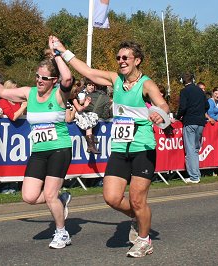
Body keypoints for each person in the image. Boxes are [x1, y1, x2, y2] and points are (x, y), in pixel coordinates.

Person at [52, 36, 169, 257]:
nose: (121, 61)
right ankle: (137, 217)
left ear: (137, 60)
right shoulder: (115, 79)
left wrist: (159, 112)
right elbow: (86, 71)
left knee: (137, 198)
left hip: (142, 147)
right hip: (119, 148)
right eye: (119, 57)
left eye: (126, 57)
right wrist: (62, 50)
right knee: (112, 197)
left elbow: (163, 104)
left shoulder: (146, 84)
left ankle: (145, 240)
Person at [0, 36, 74, 249]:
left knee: (49, 195)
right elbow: (1, 91)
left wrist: (57, 54)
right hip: (39, 151)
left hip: (59, 149)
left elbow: (67, 78)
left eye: (44, 78)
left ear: (52, 81)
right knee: (29, 196)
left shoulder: (59, 95)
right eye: (37, 76)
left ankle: (61, 232)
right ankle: (61, 198)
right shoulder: (28, 93)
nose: (39, 80)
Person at [176, 72, 209, 184]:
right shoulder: (200, 90)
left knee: (190, 150)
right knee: (195, 149)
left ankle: (194, 176)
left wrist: (177, 117)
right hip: (200, 122)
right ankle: (197, 174)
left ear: (182, 81)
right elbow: (207, 106)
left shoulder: (184, 91)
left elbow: (183, 107)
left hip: (190, 121)